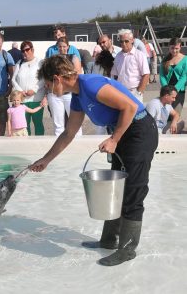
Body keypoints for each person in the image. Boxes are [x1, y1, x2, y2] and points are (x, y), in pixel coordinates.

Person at [29, 55, 158, 266]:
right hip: (124, 134)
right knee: (116, 188)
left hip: (139, 132)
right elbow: (68, 133)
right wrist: (46, 160)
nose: (49, 90)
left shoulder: (90, 84)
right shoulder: (78, 96)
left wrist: (114, 139)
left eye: (48, 85)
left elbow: (130, 107)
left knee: (133, 189)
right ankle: (109, 240)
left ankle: (127, 250)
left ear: (57, 78)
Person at [47, 36, 82, 136]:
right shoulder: (53, 59)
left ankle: (79, 144)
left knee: (75, 122)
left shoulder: (73, 57)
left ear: (68, 46)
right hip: (55, 94)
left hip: (70, 94)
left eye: (64, 46)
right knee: (58, 125)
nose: (62, 49)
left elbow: (78, 73)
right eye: (60, 47)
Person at [11, 40, 46, 135]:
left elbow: (43, 79)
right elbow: (13, 79)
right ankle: (27, 144)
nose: (25, 52)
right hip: (23, 100)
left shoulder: (40, 62)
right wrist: (20, 91)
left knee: (38, 123)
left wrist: (34, 90)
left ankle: (40, 144)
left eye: (27, 49)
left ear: (32, 49)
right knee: (25, 125)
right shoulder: (19, 63)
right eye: (23, 51)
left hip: (36, 98)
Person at [111, 29, 150, 103]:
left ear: (132, 40)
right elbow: (114, 75)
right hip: (121, 92)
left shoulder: (140, 55)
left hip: (134, 92)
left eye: (126, 41)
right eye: (122, 41)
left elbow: (146, 74)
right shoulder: (118, 56)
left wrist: (139, 92)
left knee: (135, 114)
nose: (124, 44)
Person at [160, 37, 187, 115]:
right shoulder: (165, 60)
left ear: (180, 47)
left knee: (176, 114)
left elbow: (184, 76)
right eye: (172, 48)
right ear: (169, 47)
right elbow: (162, 75)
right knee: (165, 114)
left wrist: (175, 90)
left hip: (179, 91)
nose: (174, 50)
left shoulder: (185, 59)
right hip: (167, 91)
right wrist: (167, 89)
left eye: (176, 48)